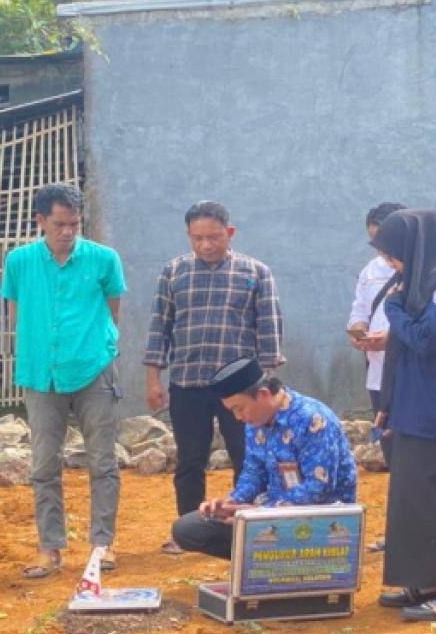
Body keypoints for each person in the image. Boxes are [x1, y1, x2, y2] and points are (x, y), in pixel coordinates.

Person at [0, 183, 126, 578]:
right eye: (59, 223)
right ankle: (49, 549)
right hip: (40, 374)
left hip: (93, 370)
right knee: (43, 465)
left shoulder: (104, 259)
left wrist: (99, 348)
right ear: (40, 221)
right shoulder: (19, 262)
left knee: (103, 462)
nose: (68, 231)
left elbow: (113, 310)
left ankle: (102, 545)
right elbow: (16, 313)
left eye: (74, 223)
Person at [145, 201, 285, 554]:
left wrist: (269, 384)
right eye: (198, 238)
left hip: (243, 390)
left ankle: (242, 529)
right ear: (188, 237)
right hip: (189, 383)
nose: (206, 245)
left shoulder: (255, 272)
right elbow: (159, 326)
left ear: (230, 233)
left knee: (247, 456)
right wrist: (153, 378)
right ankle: (187, 530)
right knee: (191, 459)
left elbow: (268, 328)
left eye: (214, 237)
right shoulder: (173, 272)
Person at [370, 209, 436, 623]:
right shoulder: (420, 283)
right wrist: (388, 406)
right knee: (412, 499)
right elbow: (402, 351)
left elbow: (425, 337)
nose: (391, 265)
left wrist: (395, 310)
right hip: (414, 408)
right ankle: (426, 580)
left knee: (434, 498)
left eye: (393, 256)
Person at [170, 358, 358, 559]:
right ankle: (267, 563)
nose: (237, 417)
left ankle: (289, 566)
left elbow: (318, 489)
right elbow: (253, 472)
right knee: (186, 529)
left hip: (317, 520)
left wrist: (257, 514)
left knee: (259, 530)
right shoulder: (256, 423)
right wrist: (231, 504)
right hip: (270, 516)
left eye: (239, 408)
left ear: (263, 394)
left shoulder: (313, 420)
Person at [345, 201, 406, 552]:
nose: (382, 252)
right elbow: (359, 309)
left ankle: (407, 531)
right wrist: (358, 330)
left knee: (410, 458)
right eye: (375, 243)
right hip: (377, 374)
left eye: (385, 242)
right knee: (392, 453)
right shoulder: (371, 270)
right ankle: (398, 530)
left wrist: (390, 339)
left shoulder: (425, 274)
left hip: (408, 377)